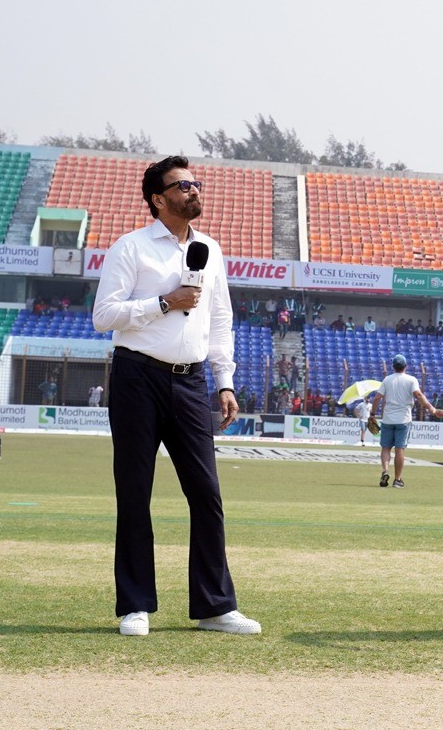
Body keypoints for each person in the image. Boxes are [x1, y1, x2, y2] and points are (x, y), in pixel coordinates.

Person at [91, 155, 259, 637]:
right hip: (136, 378)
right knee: (134, 492)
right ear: (158, 200)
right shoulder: (131, 247)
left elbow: (221, 319)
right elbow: (104, 316)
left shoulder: (210, 249)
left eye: (195, 182)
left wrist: (224, 380)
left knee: (206, 494)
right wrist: (165, 302)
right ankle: (136, 605)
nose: (193, 190)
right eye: (182, 185)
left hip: (191, 381)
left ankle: (214, 606)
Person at [372, 354, 443, 489]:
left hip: (388, 418)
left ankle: (385, 471)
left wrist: (372, 414)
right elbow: (418, 395)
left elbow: (377, 398)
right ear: (405, 366)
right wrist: (431, 408)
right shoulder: (411, 380)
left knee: (385, 448)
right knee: (400, 449)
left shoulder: (387, 380)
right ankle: (397, 479)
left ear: (393, 367)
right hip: (403, 419)